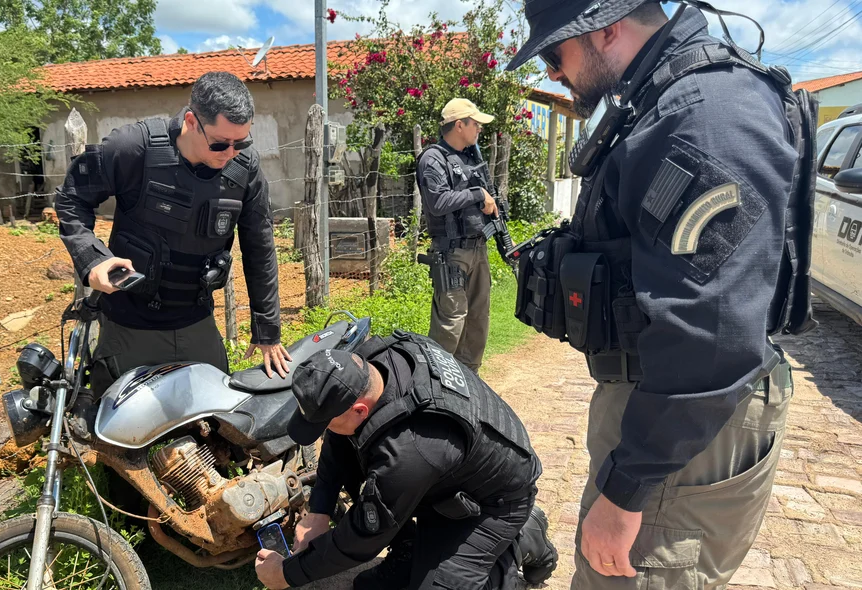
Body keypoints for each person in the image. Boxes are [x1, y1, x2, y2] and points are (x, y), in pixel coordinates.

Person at [506, 0, 816, 588]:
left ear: (606, 27)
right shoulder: (662, 99)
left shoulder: (705, 113)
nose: (550, 71)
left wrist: (627, 491)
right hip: (666, 419)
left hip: (680, 430)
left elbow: (710, 333)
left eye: (554, 51)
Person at [55, 71, 292, 436]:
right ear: (191, 122)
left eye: (241, 143)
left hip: (196, 321)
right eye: (220, 144)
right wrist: (92, 261)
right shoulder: (134, 148)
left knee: (219, 429)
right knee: (122, 438)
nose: (230, 154)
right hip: (130, 325)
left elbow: (259, 244)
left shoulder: (245, 169)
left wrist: (268, 330)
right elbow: (72, 199)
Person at [253, 335, 559, 590]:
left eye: (325, 423)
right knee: (355, 452)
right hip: (446, 476)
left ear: (360, 409)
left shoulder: (409, 451)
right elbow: (339, 442)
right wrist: (319, 511)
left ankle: (522, 537)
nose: (324, 431)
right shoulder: (367, 365)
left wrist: (287, 574)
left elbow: (362, 538)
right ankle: (409, 552)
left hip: (494, 501)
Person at [415, 98, 499, 374]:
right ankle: (434, 384)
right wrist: (478, 195)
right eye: (475, 124)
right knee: (450, 325)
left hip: (477, 249)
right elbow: (438, 202)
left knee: (477, 322)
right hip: (452, 253)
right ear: (459, 125)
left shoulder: (470, 157)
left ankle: (470, 386)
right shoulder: (433, 159)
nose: (479, 130)